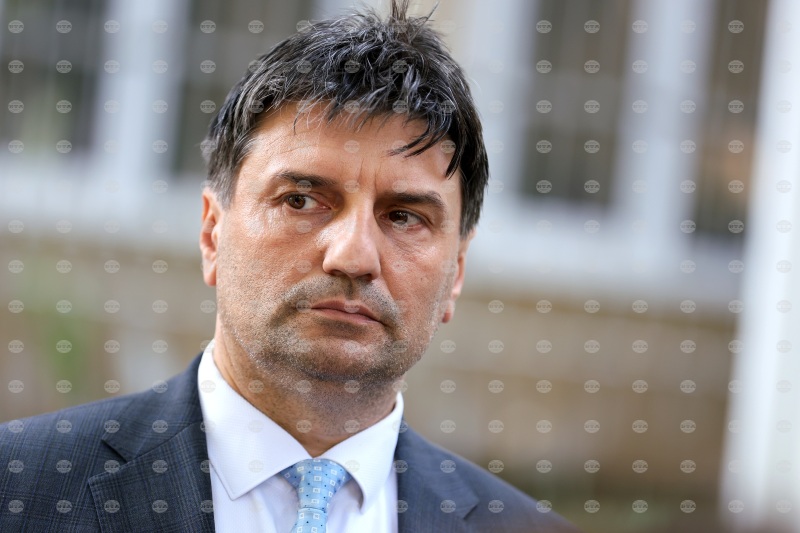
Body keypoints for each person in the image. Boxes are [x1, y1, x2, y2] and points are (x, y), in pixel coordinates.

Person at [0, 2, 580, 531]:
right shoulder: (19, 490)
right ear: (212, 232)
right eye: (301, 200)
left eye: (404, 217)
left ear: (456, 272)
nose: (353, 256)